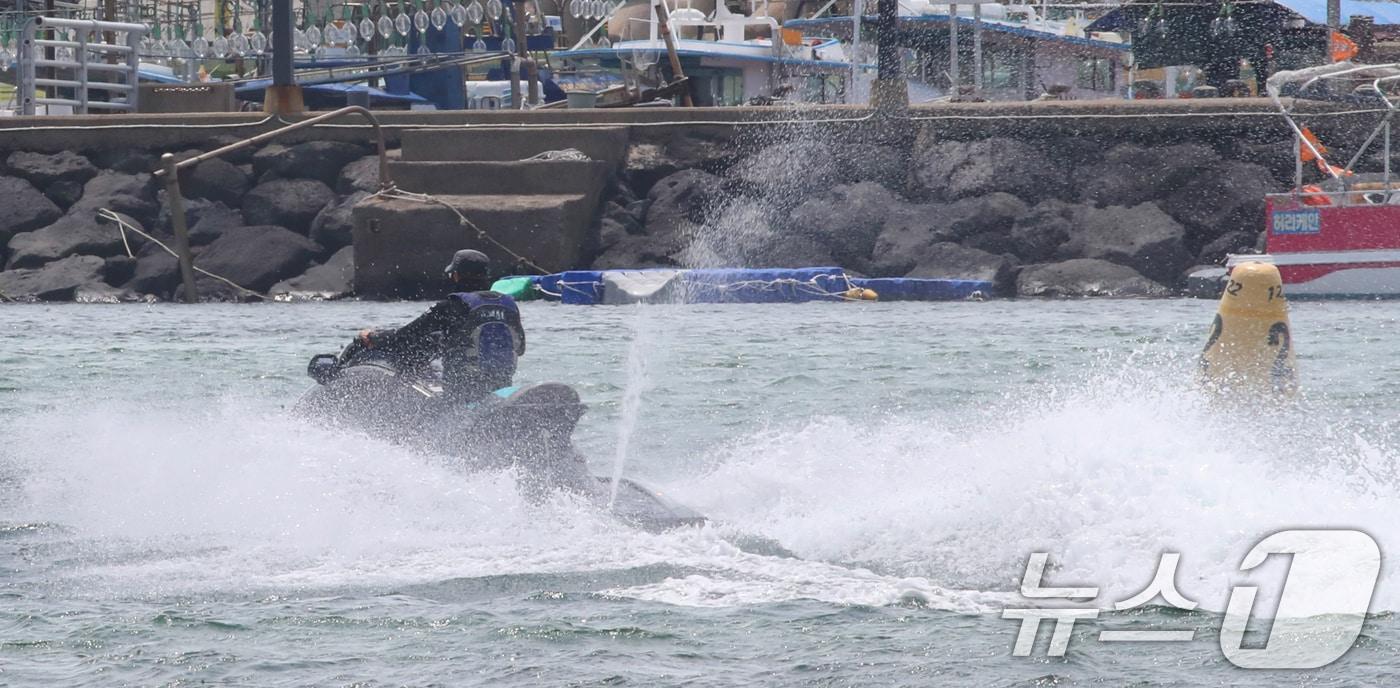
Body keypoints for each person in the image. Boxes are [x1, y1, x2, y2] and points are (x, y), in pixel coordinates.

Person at [355, 249, 526, 402]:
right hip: (502, 391)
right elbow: (521, 348)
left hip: (462, 395)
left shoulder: (453, 305)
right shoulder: (508, 304)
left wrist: (373, 337)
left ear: (456, 275)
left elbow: (405, 336)